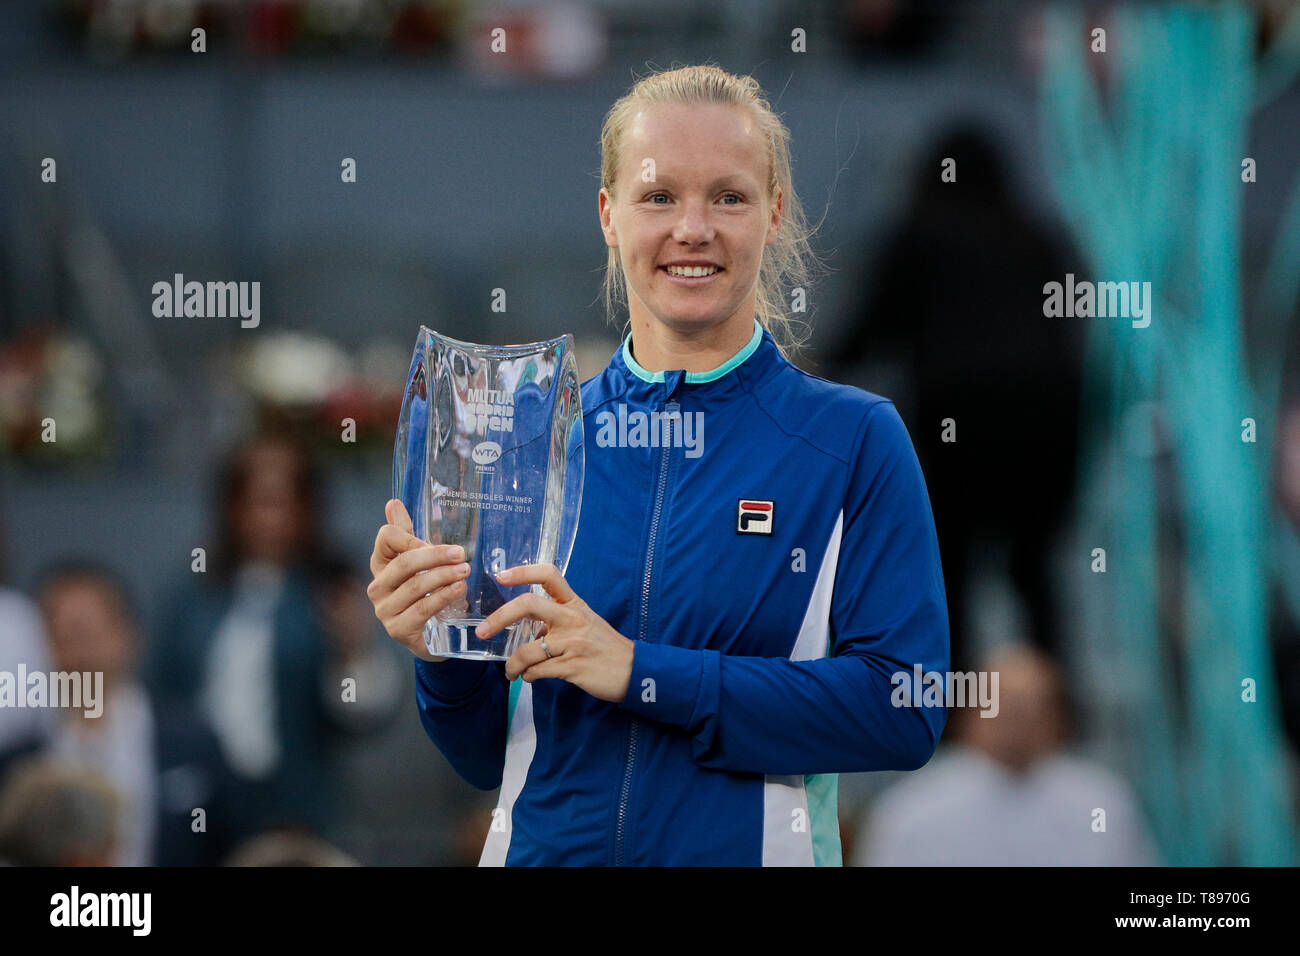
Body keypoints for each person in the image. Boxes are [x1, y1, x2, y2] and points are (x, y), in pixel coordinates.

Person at [367, 64, 950, 865]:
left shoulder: (852, 440)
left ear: (775, 213)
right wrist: (439, 652)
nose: (694, 228)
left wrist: (643, 672)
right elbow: (487, 756)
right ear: (609, 216)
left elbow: (904, 708)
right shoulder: (534, 443)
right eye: (659, 196)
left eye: (729, 197)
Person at [853, 644, 1158, 866]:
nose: (1018, 723)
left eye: (1033, 707)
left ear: (1058, 717)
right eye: (1004, 707)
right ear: (969, 714)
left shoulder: (1103, 801)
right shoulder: (910, 811)